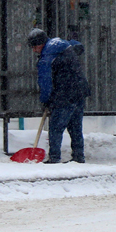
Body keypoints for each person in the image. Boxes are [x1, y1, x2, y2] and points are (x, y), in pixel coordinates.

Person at [27, 28, 90, 164]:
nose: (34, 50)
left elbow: (45, 82)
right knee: (75, 128)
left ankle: (54, 158)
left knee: (56, 128)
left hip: (63, 95)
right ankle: (79, 156)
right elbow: (79, 46)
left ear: (41, 43)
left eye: (34, 47)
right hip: (79, 92)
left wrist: (45, 100)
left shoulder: (47, 59)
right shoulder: (64, 45)